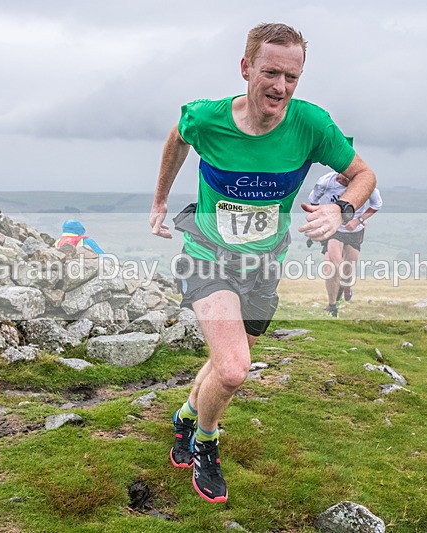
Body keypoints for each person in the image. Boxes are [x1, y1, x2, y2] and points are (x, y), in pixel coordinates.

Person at [149, 22, 376, 503]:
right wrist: (159, 201)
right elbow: (177, 135)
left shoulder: (311, 125)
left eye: (292, 77)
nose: (280, 87)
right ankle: (205, 443)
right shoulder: (208, 118)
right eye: (271, 73)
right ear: (246, 67)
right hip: (207, 258)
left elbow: (362, 174)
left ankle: (187, 416)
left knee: (224, 359)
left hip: (264, 268)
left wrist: (343, 208)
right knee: (233, 369)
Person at [308, 172, 382, 317]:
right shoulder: (325, 181)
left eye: (350, 178)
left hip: (355, 229)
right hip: (334, 228)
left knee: (348, 271)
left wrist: (358, 220)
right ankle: (332, 305)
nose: (347, 180)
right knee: (333, 266)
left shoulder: (364, 182)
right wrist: (319, 221)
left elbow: (377, 204)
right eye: (344, 176)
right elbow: (313, 200)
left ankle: (346, 286)